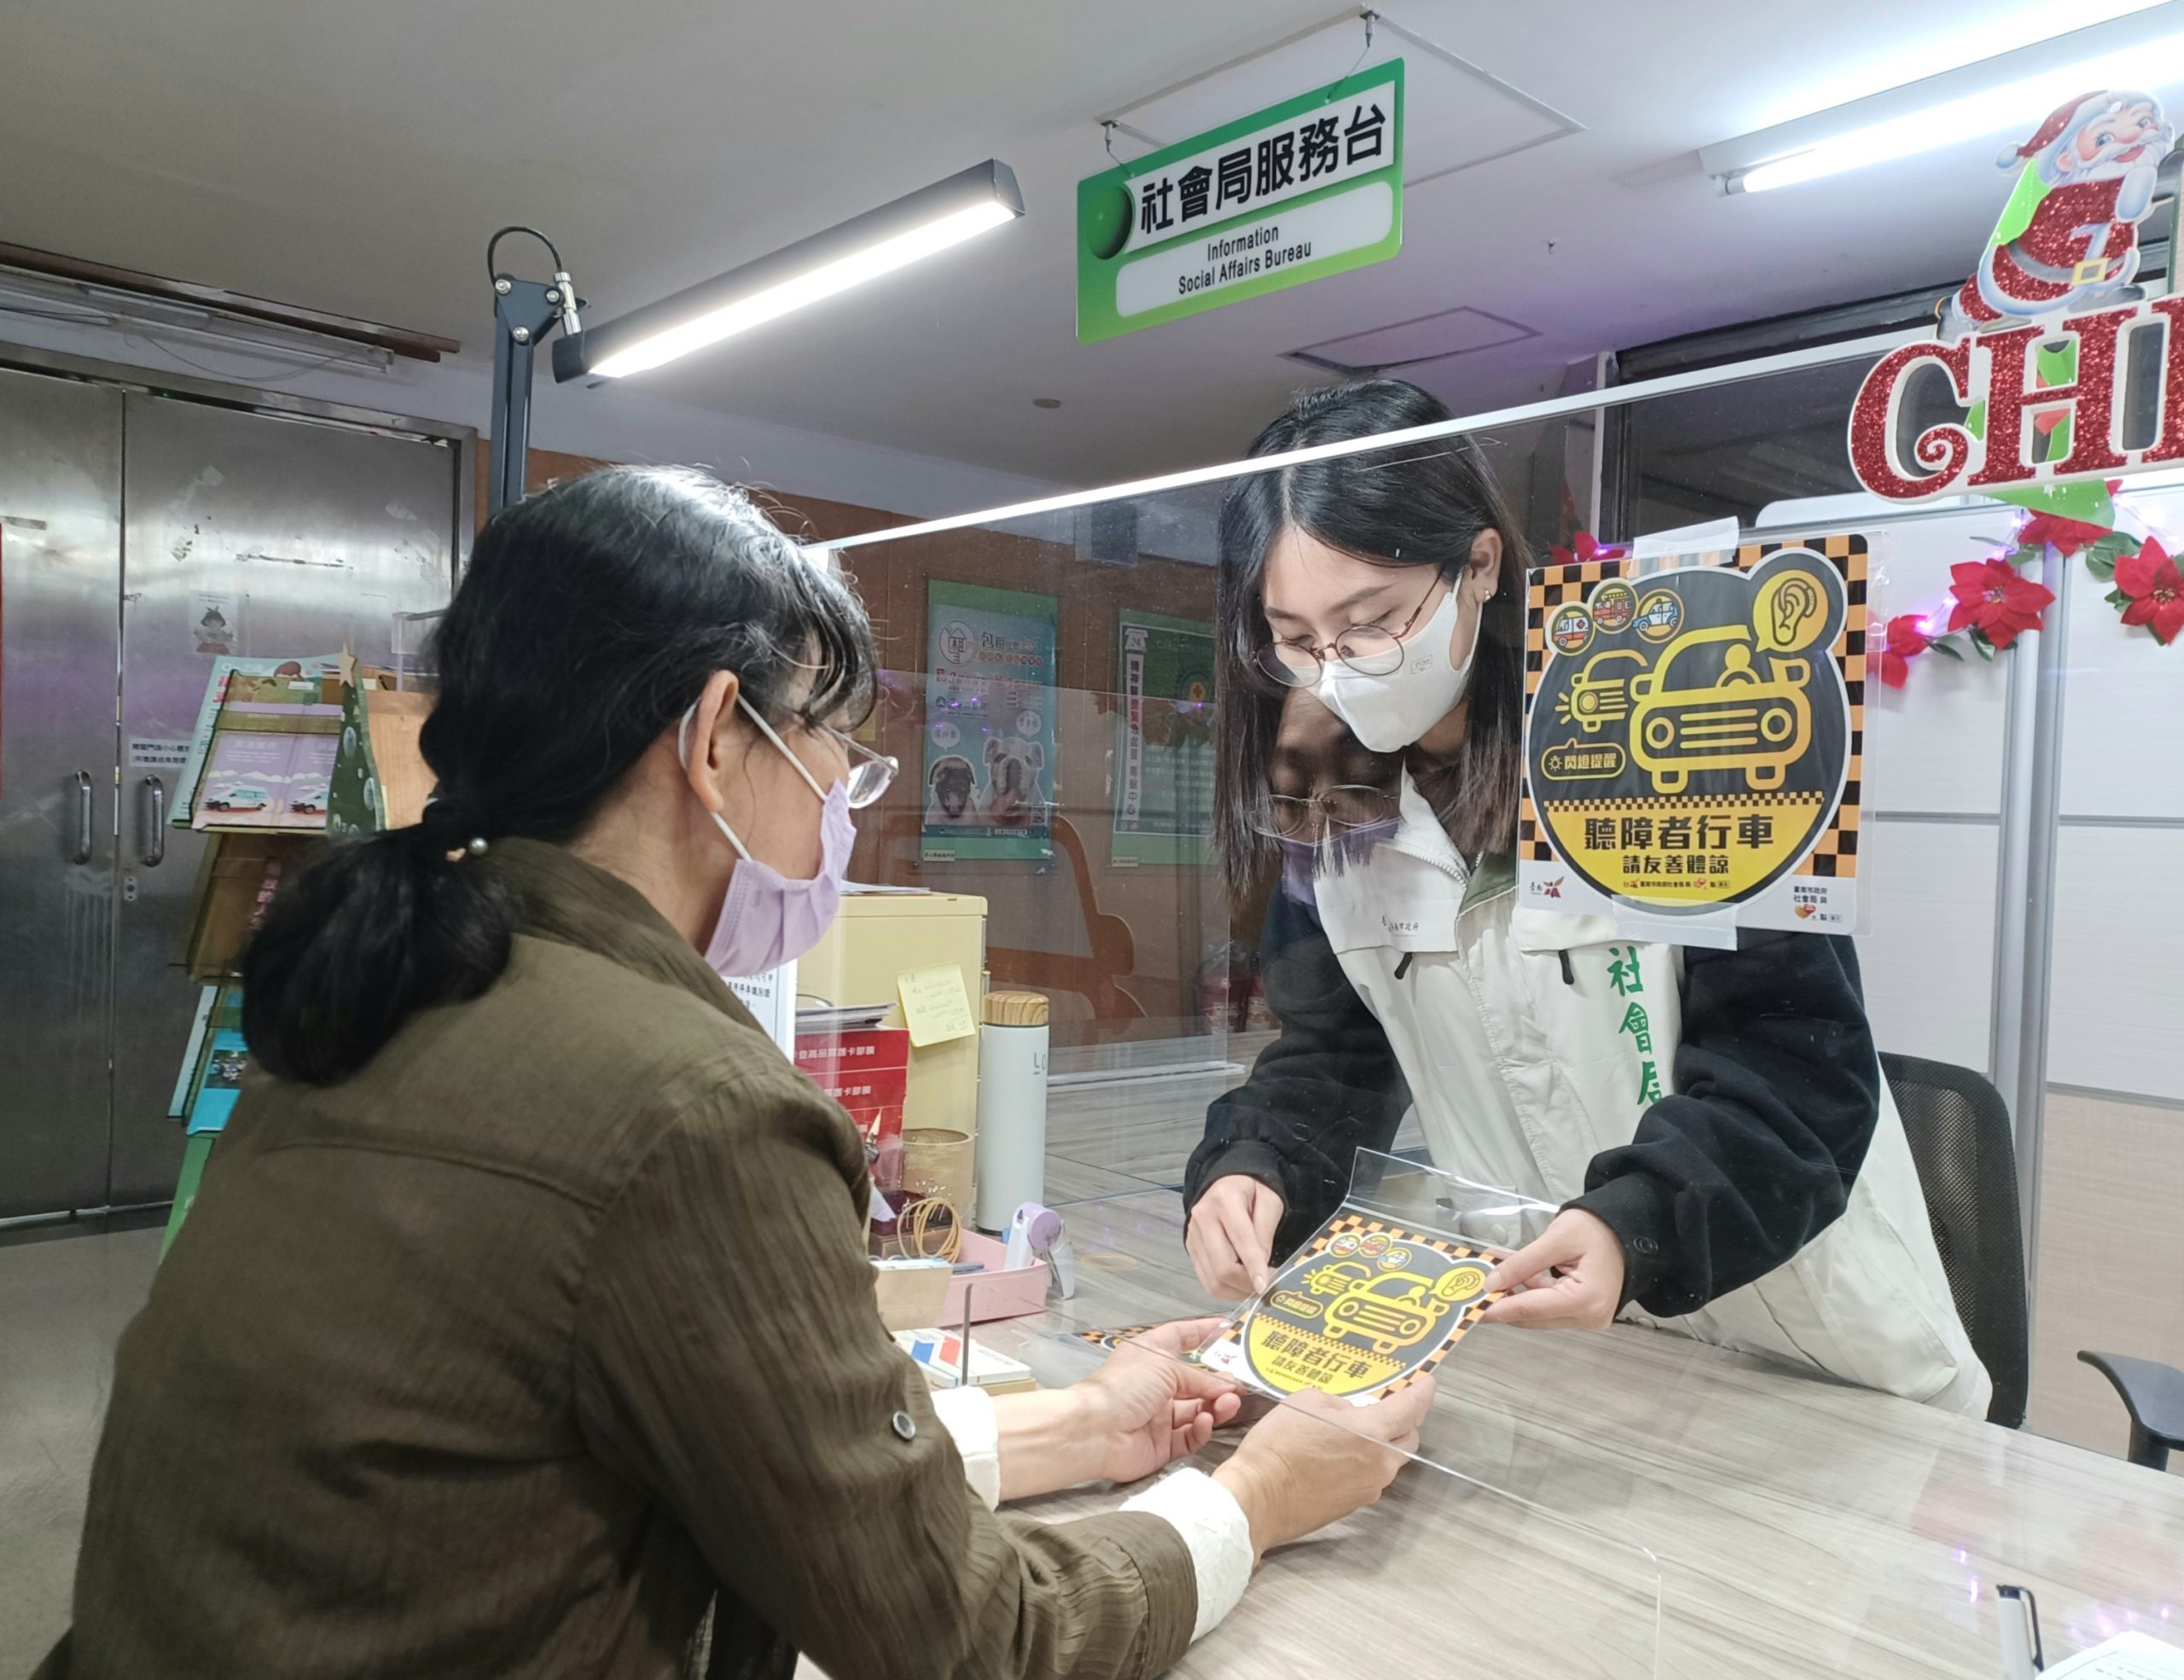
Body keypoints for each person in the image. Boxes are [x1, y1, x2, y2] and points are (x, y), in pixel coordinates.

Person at [40, 467, 1437, 1680]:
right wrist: (1256, 1496)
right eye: (835, 746)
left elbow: (688, 1448)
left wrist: (1073, 1424)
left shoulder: (375, 997)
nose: (843, 797)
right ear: (717, 739)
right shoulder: (688, 1105)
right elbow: (970, 1638)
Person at [1182, 381, 1991, 1416]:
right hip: (1569, 1352)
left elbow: (1800, 1072)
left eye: (1372, 621)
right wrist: (1255, 1162)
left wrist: (1636, 1219)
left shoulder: (1675, 724)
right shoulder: (1335, 804)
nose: (1334, 673)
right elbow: (1335, 1053)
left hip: (1807, 1349)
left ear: (1478, 565)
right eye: (1295, 639)